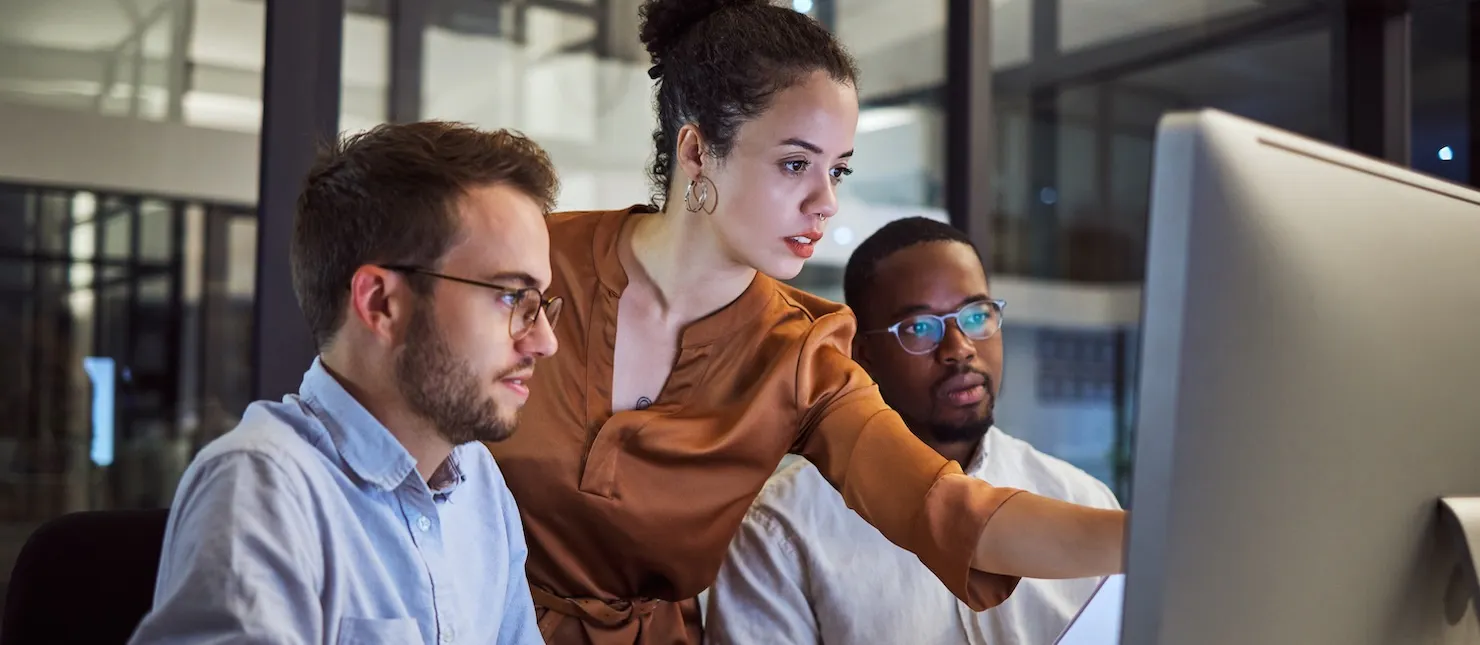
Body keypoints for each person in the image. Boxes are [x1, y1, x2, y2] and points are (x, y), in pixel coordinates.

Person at [487, 1, 1128, 643]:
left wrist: (1156, 536)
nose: (826, 203)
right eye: (796, 163)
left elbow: (949, 510)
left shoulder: (803, 356)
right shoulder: (528, 263)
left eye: (838, 169)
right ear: (697, 149)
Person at [130, 121, 561, 645]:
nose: (543, 342)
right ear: (381, 304)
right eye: (513, 298)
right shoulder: (262, 491)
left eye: (540, 304)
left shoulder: (479, 484)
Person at [705, 217, 1124, 644]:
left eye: (977, 315)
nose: (959, 347)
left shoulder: (1080, 499)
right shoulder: (780, 527)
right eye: (920, 328)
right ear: (861, 355)